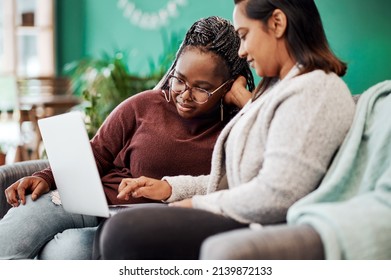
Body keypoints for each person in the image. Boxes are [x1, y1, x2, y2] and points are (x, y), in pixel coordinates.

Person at [95, 0, 356, 260]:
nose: (241, 51)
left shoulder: (314, 92)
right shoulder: (284, 89)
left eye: (244, 35)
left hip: (261, 222)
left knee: (122, 230)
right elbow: (233, 180)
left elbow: (276, 195)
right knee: (120, 227)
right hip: (244, 212)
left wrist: (194, 205)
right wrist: (170, 188)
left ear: (277, 23)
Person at [0, 16, 255, 260]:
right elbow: (98, 152)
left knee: (68, 251)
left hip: (140, 225)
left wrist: (246, 101)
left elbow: (244, 181)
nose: (184, 95)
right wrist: (45, 176)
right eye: (179, 79)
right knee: (14, 233)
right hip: (90, 201)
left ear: (228, 85)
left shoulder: (240, 127)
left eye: (202, 89)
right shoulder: (144, 105)